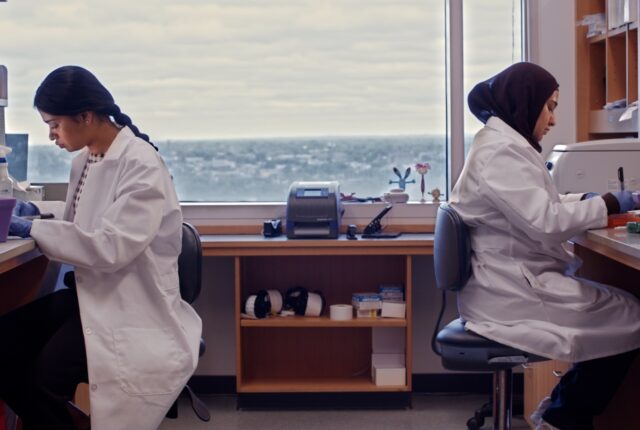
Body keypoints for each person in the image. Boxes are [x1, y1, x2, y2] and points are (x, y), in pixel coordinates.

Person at [3, 65, 202, 430]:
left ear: (85, 116)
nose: (51, 136)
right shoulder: (88, 158)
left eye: (54, 124)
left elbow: (110, 247)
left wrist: (30, 226)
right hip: (93, 297)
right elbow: (88, 221)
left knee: (43, 379)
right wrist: (37, 211)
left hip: (130, 307)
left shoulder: (141, 164)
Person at [450, 62, 640, 430]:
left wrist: (590, 198)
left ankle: (560, 413)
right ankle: (563, 418)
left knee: (621, 314)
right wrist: (611, 204)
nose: (553, 119)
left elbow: (536, 204)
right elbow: (546, 222)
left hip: (510, 280)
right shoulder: (500, 153)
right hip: (510, 294)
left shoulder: (503, 144)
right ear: (526, 100)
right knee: (631, 316)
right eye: (550, 106)